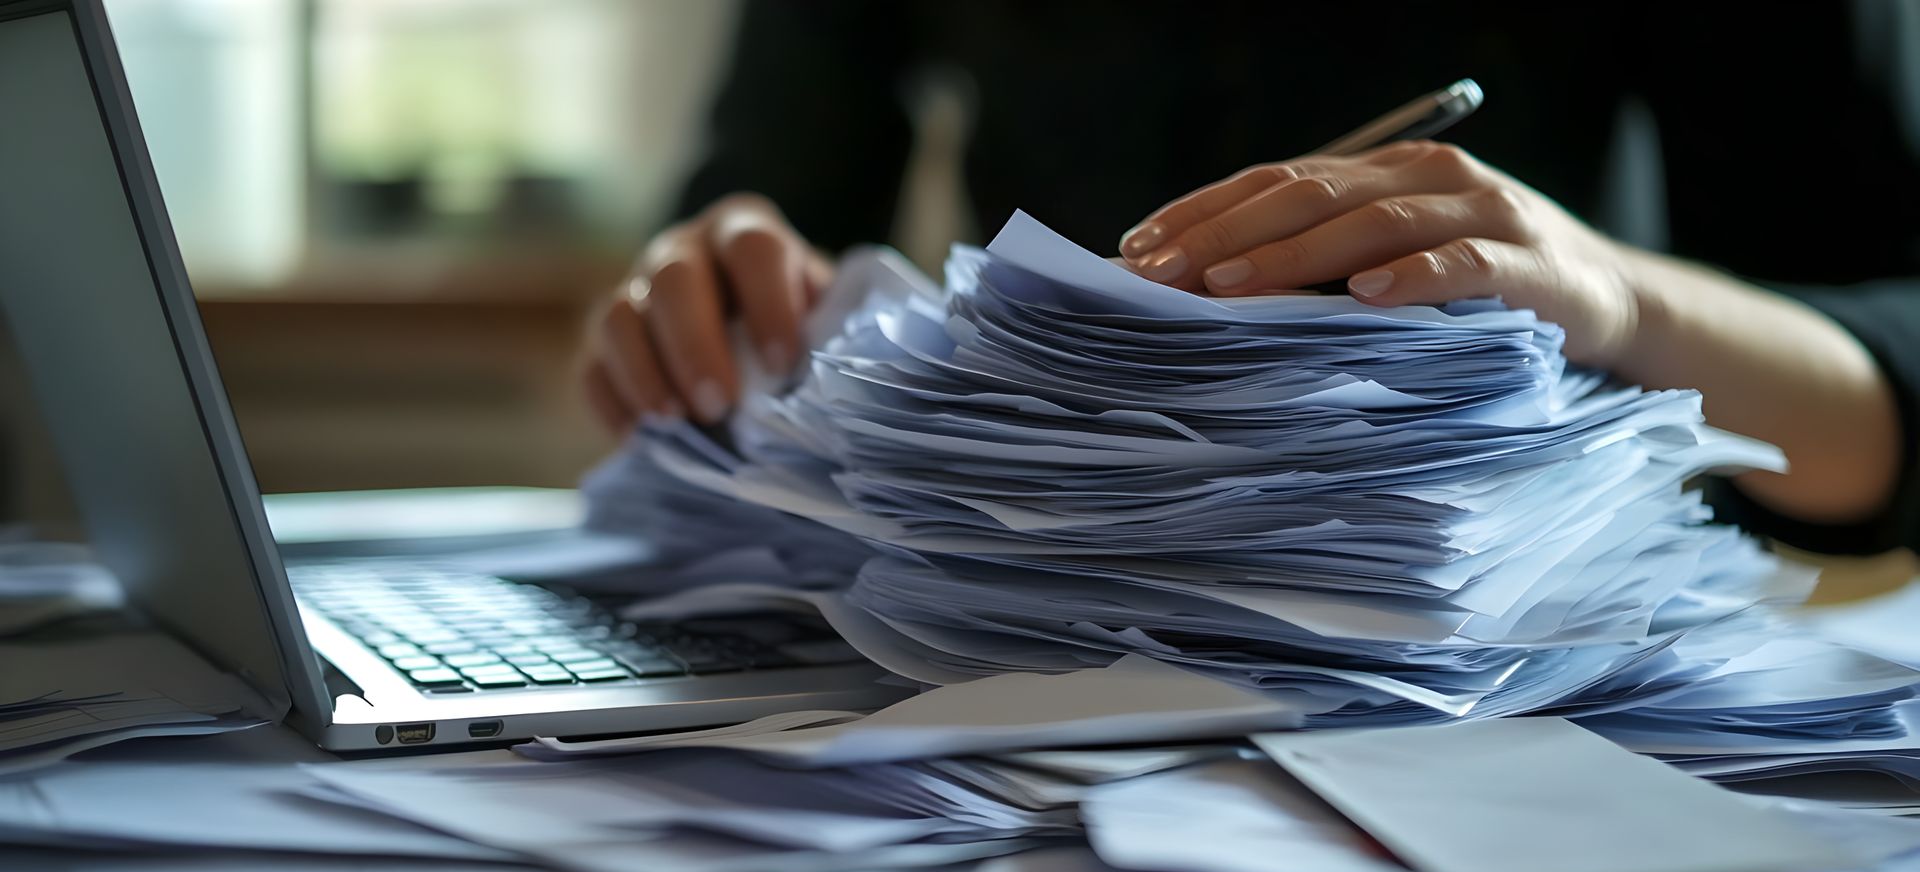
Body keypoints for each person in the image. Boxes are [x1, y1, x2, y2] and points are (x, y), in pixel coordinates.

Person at [576, 1, 1920, 556]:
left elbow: (1886, 356)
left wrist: (1625, 299)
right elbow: (765, 223)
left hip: (1507, 641)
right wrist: (708, 291)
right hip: (1010, 621)